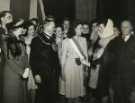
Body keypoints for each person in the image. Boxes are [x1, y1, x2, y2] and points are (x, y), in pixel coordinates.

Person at [30, 17, 60, 103]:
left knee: (53, 98)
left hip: (54, 74)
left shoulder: (54, 39)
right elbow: (33, 59)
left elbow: (56, 58)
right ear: (45, 26)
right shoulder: (36, 40)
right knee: (42, 98)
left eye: (54, 26)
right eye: (51, 26)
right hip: (43, 75)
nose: (53, 28)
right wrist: (36, 74)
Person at [59, 21, 88, 103]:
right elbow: (63, 57)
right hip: (69, 67)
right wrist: (62, 71)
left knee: (78, 92)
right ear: (74, 29)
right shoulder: (66, 41)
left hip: (80, 68)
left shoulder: (84, 40)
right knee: (70, 92)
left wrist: (85, 69)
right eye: (79, 28)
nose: (81, 30)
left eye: (82, 28)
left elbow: (85, 56)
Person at [2, 19, 30, 103]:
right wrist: (22, 72)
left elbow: (25, 56)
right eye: (21, 26)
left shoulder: (21, 39)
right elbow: (10, 60)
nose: (23, 28)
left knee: (21, 97)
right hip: (12, 74)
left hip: (23, 73)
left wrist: (27, 67)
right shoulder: (6, 40)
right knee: (12, 97)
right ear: (15, 28)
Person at [109, 20, 135, 103]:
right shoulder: (115, 40)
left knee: (127, 98)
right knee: (117, 97)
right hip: (116, 76)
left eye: (126, 27)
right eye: (122, 27)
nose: (123, 29)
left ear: (131, 28)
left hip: (129, 76)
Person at [23, 21, 37, 103]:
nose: (32, 31)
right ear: (27, 30)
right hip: (25, 66)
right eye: (30, 29)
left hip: (33, 67)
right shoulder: (23, 39)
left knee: (33, 88)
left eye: (33, 29)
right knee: (25, 89)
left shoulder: (36, 40)